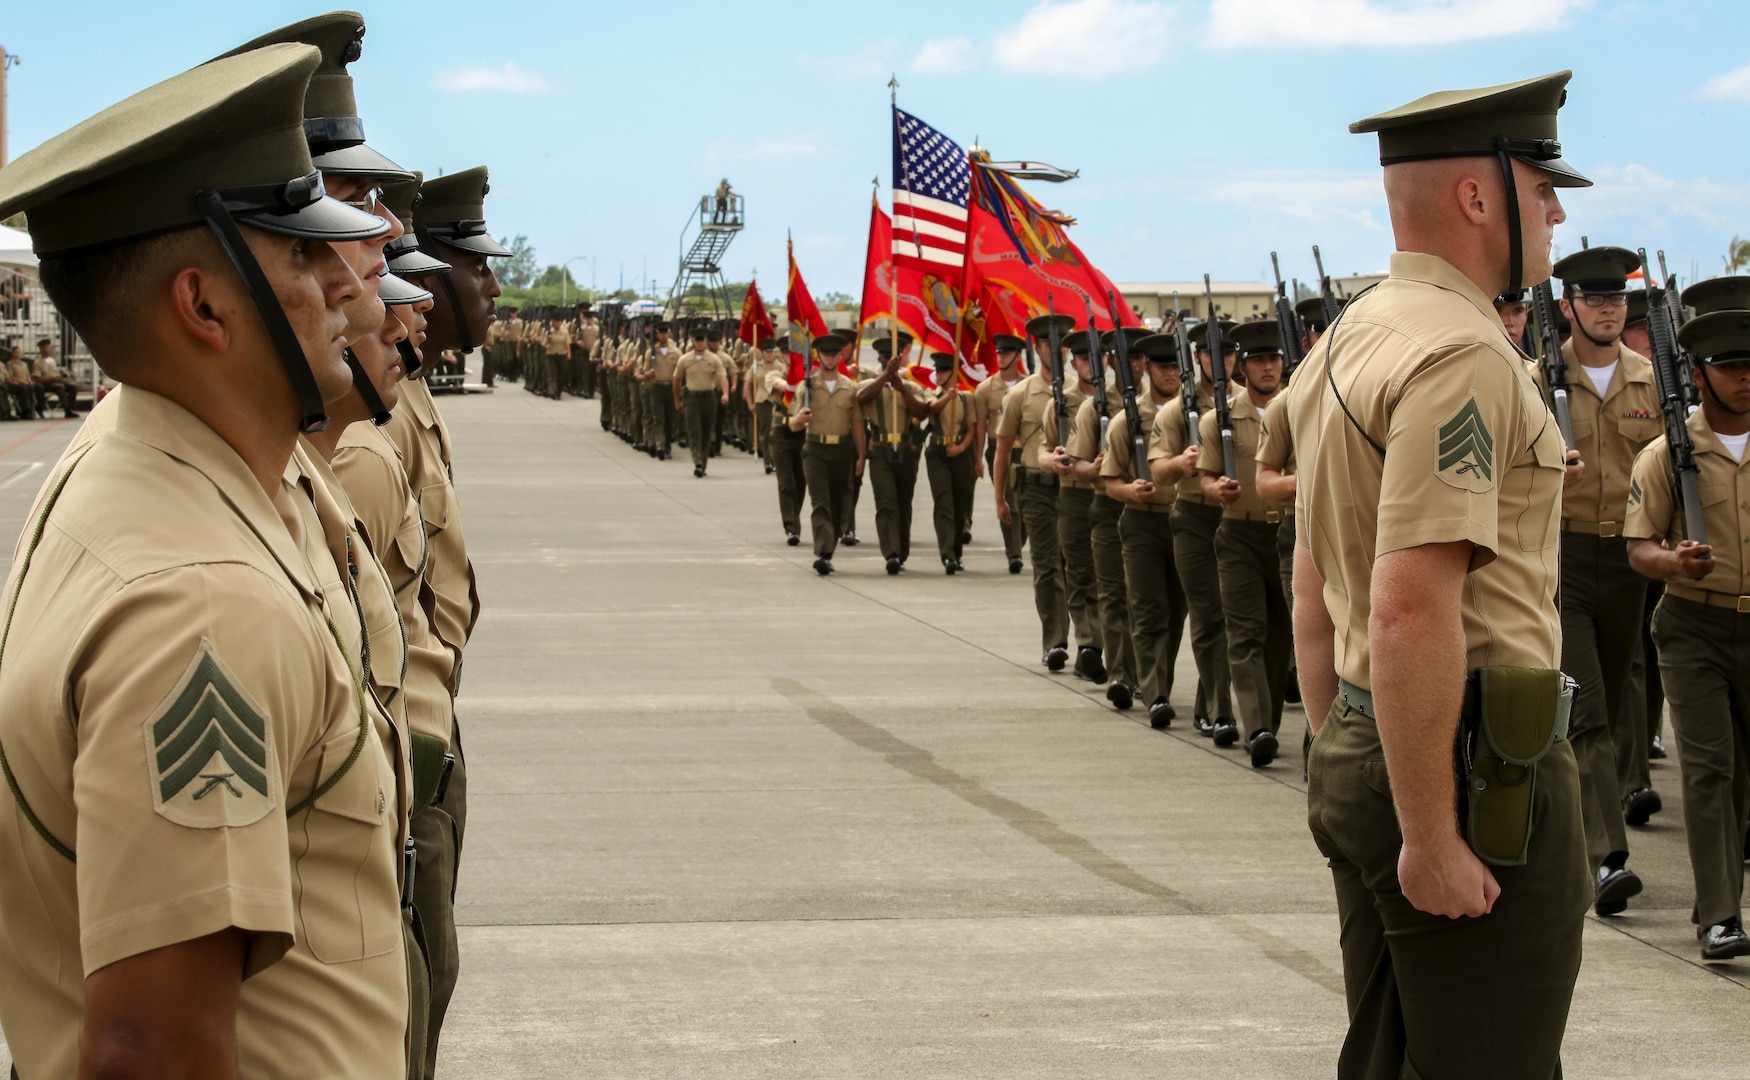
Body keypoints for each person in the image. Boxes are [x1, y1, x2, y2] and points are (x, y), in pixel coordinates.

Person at [0, 45, 411, 1078]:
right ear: (204, 305)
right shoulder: (198, 601)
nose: (348, 290)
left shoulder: (154, 458)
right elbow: (153, 1051)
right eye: (304, 259)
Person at [1295, 71, 1591, 1077]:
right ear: (1478, 196)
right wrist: (1427, 829)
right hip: (1469, 769)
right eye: (1540, 182)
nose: (1554, 207)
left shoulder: (1351, 333)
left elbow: (1312, 576)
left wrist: (1350, 746)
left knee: (1391, 1055)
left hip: (1378, 741)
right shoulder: (1460, 351)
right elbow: (1409, 604)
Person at [396, 163, 505, 1071]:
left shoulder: (408, 397)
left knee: (428, 992)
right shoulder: (371, 421)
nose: (495, 284)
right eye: (478, 266)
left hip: (424, 751)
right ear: (431, 280)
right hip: (397, 772)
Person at [1625, 306, 1750, 961]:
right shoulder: (1668, 454)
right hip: (1693, 625)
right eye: (1730, 367)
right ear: (1699, 374)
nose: (1745, 378)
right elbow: (1639, 546)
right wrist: (1673, 562)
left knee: (1740, 778)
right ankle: (1719, 916)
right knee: (1707, 770)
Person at [1544, 246, 1665, 917]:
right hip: (1560, 557)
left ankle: (1576, 823)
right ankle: (1607, 858)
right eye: (1594, 301)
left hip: (1628, 561)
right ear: (1569, 308)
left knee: (1616, 704)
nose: (1607, 311)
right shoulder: (1537, 379)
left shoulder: (1652, 381)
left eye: (1615, 301)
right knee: (1589, 708)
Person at [1198, 320, 1292, 766]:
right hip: (1238, 533)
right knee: (1245, 632)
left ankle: (1267, 723)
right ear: (1243, 368)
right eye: (1258, 361)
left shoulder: (1299, 410)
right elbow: (1205, 474)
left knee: (1280, 638)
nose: (1268, 368)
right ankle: (1255, 726)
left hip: (1288, 534)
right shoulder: (1220, 418)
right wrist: (1216, 489)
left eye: (1274, 359)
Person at [1154, 320, 1237, 737]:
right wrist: (1181, 465)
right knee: (1207, 615)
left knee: (1238, 620)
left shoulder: (1250, 405)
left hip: (1238, 520)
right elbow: (1157, 469)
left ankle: (1212, 703)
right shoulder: (1175, 411)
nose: (1222, 361)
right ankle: (1220, 711)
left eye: (1228, 353)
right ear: (1198, 357)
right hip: (1193, 516)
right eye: (1213, 353)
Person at [1107, 333, 1191, 726]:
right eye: (1163, 367)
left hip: (1184, 521)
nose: (1171, 373)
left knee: (1176, 613)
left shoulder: (1193, 415)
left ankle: (1158, 682)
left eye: (1176, 366)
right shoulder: (1128, 418)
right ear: (1147, 369)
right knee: (1148, 610)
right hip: (1142, 522)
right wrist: (1131, 490)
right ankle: (1155, 694)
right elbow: (1111, 482)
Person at [993, 330, 1070, 670]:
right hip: (1036, 489)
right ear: (1036, 349)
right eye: (1047, 343)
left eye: (1063, 343)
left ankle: (1091, 645)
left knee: (1080, 566)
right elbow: (1003, 449)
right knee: (1047, 564)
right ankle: (1055, 641)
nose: (1056, 349)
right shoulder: (1020, 395)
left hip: (1076, 488)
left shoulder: (1084, 392)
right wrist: (999, 498)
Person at [1038, 325, 1108, 684]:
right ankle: (1089, 645)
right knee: (1080, 573)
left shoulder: (1120, 399)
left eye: (1095, 357)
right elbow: (1042, 449)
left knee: (1110, 577)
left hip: (1112, 496)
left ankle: (1115, 650)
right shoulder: (1059, 403)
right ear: (1073, 361)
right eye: (1082, 358)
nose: (1089, 364)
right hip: (1075, 494)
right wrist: (1052, 461)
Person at [857, 332, 929, 574]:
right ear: (879, 359)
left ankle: (902, 550)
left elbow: (922, 411)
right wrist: (886, 377)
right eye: (885, 358)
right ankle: (891, 554)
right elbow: (861, 398)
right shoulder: (870, 386)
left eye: (892, 358)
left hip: (906, 450)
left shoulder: (911, 386)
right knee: (886, 502)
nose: (889, 361)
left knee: (903, 503)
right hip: (880, 451)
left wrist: (901, 388)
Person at [792, 333, 864, 574]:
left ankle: (828, 549)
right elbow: (792, 424)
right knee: (820, 501)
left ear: (840, 356)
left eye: (834, 354)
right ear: (818, 356)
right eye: (825, 354)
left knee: (836, 503)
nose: (830, 358)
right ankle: (822, 551)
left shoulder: (849, 387)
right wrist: (800, 419)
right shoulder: (808, 386)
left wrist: (861, 456)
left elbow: (857, 425)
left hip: (842, 451)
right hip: (815, 450)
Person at [975, 335, 1028, 573]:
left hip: (1025, 452)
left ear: (1018, 356)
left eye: (1006, 353)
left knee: (1027, 506)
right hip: (999, 450)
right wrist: (977, 457)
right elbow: (980, 426)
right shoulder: (985, 389)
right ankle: (1014, 553)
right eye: (999, 353)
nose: (1001, 357)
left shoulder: (1029, 386)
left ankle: (1018, 541)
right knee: (1009, 501)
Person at [923, 350, 977, 572]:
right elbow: (932, 409)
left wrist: (961, 448)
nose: (940, 374)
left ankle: (956, 551)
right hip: (937, 452)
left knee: (959, 504)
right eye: (938, 370)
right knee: (944, 501)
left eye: (945, 370)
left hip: (959, 452)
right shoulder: (930, 393)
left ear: (954, 373)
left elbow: (972, 429)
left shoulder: (967, 398)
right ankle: (947, 555)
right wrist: (947, 396)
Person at [763, 350, 807, 545]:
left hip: (803, 431)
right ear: (783, 357)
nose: (792, 359)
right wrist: (803, 384)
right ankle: (792, 527)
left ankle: (794, 516)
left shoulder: (809, 378)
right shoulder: (774, 374)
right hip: (781, 432)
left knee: (801, 480)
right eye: (789, 356)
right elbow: (783, 386)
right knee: (786, 482)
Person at [675, 328, 729, 477]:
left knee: (706, 432)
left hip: (709, 399)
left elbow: (722, 377)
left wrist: (725, 393)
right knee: (694, 432)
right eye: (697, 340)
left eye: (702, 340)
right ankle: (697, 462)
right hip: (691, 399)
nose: (700, 343)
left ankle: (703, 464)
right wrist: (677, 400)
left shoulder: (714, 359)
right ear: (693, 342)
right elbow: (677, 381)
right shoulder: (685, 359)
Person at [32, 337, 80, 416]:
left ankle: (71, 408)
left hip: (57, 380)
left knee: (72, 386)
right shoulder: (38, 363)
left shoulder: (52, 360)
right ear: (42, 349)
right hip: (47, 384)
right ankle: (67, 409)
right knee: (59, 387)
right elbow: (38, 379)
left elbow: (56, 372)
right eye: (47, 347)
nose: (50, 349)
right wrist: (53, 377)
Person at [3, 343, 39, 419]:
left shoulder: (24, 364)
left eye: (19, 352)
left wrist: (29, 380)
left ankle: (31, 409)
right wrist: (23, 382)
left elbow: (28, 374)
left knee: (31, 387)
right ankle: (24, 410)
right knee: (24, 388)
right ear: (12, 353)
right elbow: (11, 376)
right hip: (16, 384)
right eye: (16, 352)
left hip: (25, 383)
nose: (18, 354)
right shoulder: (10, 364)